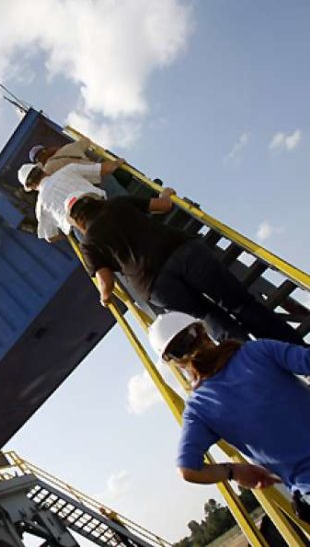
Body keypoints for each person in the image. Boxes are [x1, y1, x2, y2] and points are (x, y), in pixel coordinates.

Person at [67, 192, 306, 345]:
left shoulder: (88, 244)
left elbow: (105, 282)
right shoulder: (118, 203)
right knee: (241, 305)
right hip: (183, 252)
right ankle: (299, 354)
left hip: (154, 284)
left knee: (209, 317)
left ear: (78, 222)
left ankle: (259, 367)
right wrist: (166, 194)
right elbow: (163, 206)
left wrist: (105, 298)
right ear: (95, 200)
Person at [148, 312, 310, 523]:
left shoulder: (198, 409)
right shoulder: (257, 350)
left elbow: (188, 469)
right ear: (203, 332)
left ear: (174, 362)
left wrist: (233, 471)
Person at [16, 158, 123, 242]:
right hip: (101, 207)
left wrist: (64, 230)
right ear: (41, 169)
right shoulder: (69, 169)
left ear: (30, 187)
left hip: (82, 229)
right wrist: (119, 161)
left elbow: (51, 237)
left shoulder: (41, 207)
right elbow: (106, 169)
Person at [28, 140, 127, 197]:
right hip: (102, 177)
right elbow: (87, 141)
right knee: (129, 204)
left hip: (89, 194)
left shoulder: (47, 172)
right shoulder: (68, 148)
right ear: (46, 149)